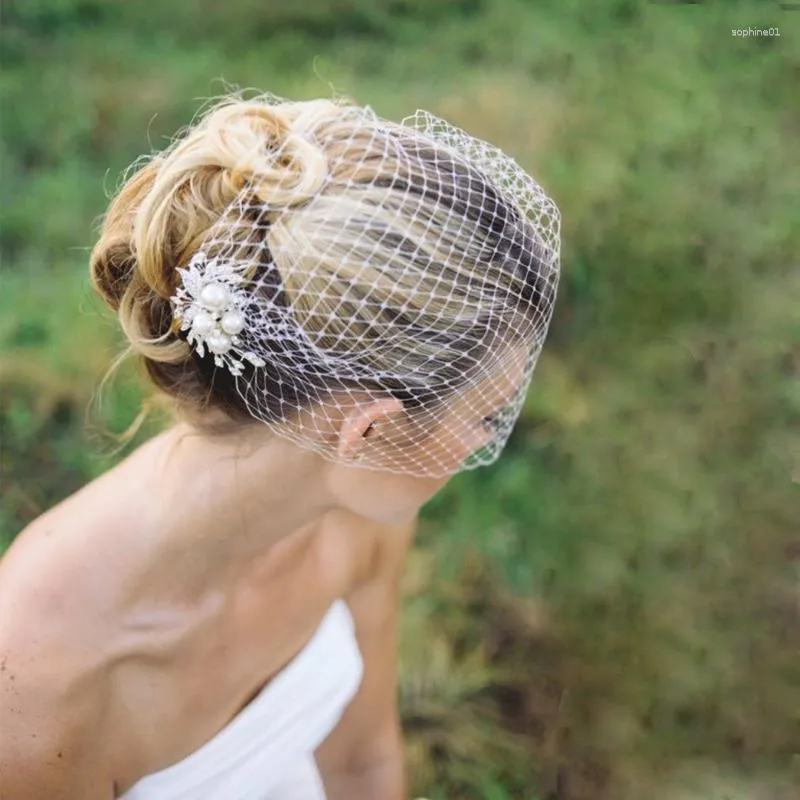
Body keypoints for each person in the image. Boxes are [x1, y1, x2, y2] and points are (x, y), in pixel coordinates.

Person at [0, 94, 560, 800]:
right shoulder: (36, 688)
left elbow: (362, 764)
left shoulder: (353, 518)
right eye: (486, 414)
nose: (487, 440)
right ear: (368, 433)